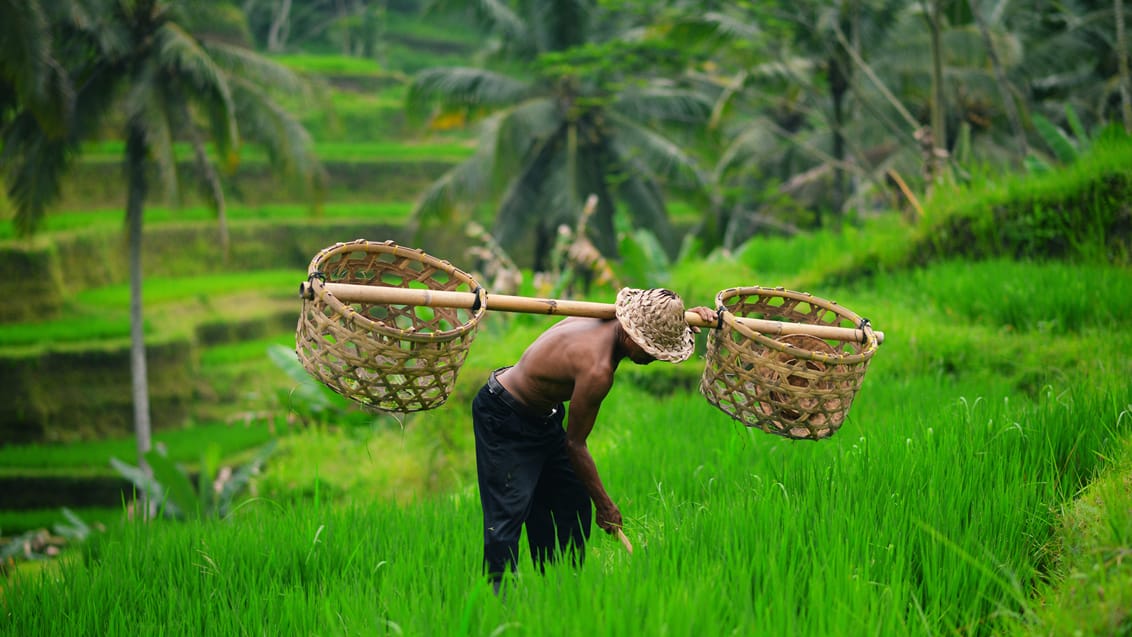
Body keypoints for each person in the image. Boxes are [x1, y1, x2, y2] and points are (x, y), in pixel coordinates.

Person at [471, 287, 718, 591]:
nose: (653, 358)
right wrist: (606, 505)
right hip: (504, 416)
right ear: (630, 334)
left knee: (572, 503)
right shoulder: (598, 370)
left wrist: (682, 319)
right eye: (650, 349)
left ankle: (563, 592)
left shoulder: (604, 317)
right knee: (506, 516)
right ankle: (498, 604)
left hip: (543, 417)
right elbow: (575, 444)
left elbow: (655, 320)